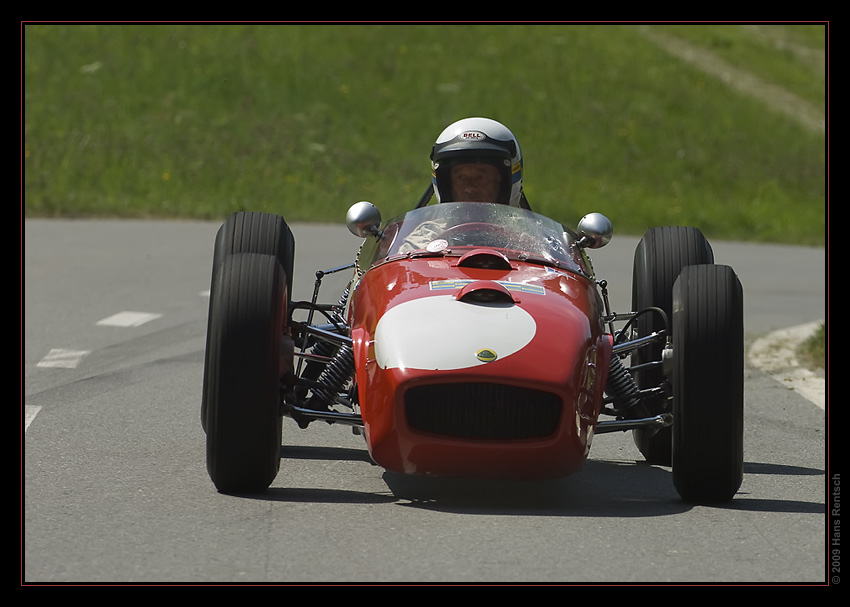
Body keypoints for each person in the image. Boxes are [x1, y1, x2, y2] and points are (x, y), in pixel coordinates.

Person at [429, 117, 531, 209]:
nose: (469, 189)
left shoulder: (528, 230)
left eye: (481, 178)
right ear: (446, 184)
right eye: (460, 178)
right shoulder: (426, 230)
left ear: (504, 183)